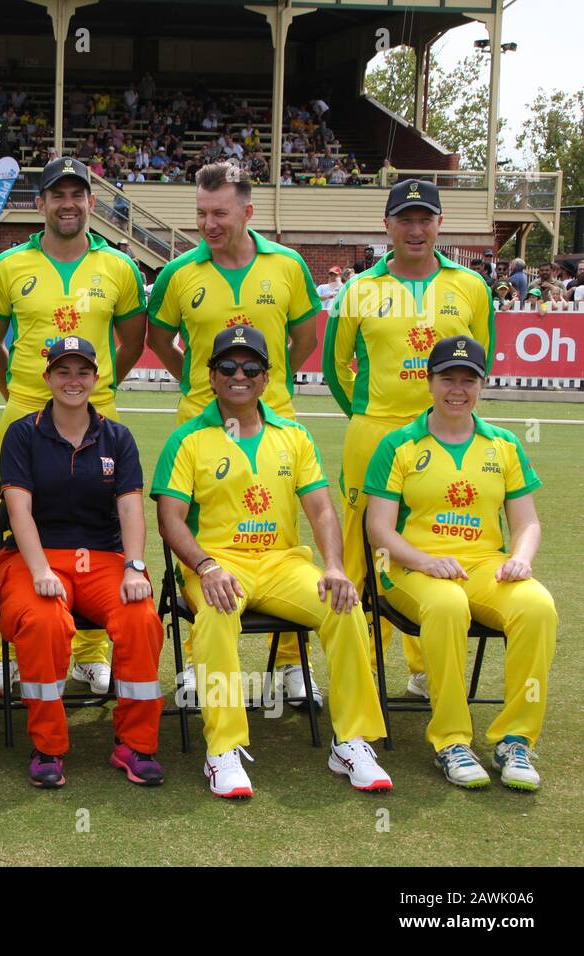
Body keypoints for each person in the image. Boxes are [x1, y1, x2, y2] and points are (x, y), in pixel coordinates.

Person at [153, 326, 392, 798]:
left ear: (266, 379)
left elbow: (321, 508)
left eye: (250, 368)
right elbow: (170, 519)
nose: (238, 375)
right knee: (218, 614)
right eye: (227, 366)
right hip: (217, 565)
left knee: (342, 606)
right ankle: (223, 748)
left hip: (283, 563)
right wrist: (205, 567)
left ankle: (352, 741)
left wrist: (334, 567)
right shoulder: (188, 439)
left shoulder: (294, 436)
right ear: (211, 375)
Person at [145, 162, 321, 705]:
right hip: (200, 424)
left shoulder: (288, 266)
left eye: (219, 213)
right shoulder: (179, 273)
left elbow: (305, 339)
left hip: (273, 425)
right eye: (200, 213)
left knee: (281, 540)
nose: (208, 223)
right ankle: (200, 663)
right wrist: (203, 384)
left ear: (247, 211)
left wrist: (256, 389)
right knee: (200, 545)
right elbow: (159, 336)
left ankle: (291, 666)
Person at [0, 156, 148, 697]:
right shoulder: (10, 265)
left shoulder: (119, 267)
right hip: (27, 408)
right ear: (41, 203)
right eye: (58, 194)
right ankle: (25, 638)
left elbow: (132, 339)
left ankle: (91, 654)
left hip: (97, 409)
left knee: (101, 528)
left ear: (91, 203)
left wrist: (98, 389)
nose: (68, 203)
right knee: (23, 524)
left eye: (78, 194)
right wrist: (19, 393)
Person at [323, 179, 495, 699]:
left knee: (432, 539)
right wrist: (369, 414)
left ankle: (425, 669)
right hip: (373, 432)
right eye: (405, 219)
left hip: (442, 439)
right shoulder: (358, 288)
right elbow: (336, 366)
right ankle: (358, 669)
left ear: (440, 224)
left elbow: (478, 361)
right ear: (387, 225)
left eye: (425, 219)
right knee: (359, 550)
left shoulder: (470, 285)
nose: (415, 230)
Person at [364, 336, 554, 791]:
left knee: (537, 606)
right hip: (410, 568)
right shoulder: (399, 445)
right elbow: (380, 530)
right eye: (447, 378)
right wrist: (426, 561)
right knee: (447, 606)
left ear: (482, 385)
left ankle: (515, 740)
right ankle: (451, 739)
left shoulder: (503, 444)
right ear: (429, 382)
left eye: (469, 380)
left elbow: (526, 522)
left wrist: (521, 560)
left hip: (485, 565)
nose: (457, 389)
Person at [0, 336, 165, 789]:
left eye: (83, 372)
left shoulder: (118, 436)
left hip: (104, 558)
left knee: (141, 617)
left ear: (95, 378)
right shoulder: (23, 433)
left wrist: (134, 567)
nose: (74, 381)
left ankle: (135, 744)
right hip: (34, 557)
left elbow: (130, 509)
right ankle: (48, 746)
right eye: (64, 371)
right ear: (47, 376)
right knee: (44, 620)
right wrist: (39, 571)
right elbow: (18, 511)